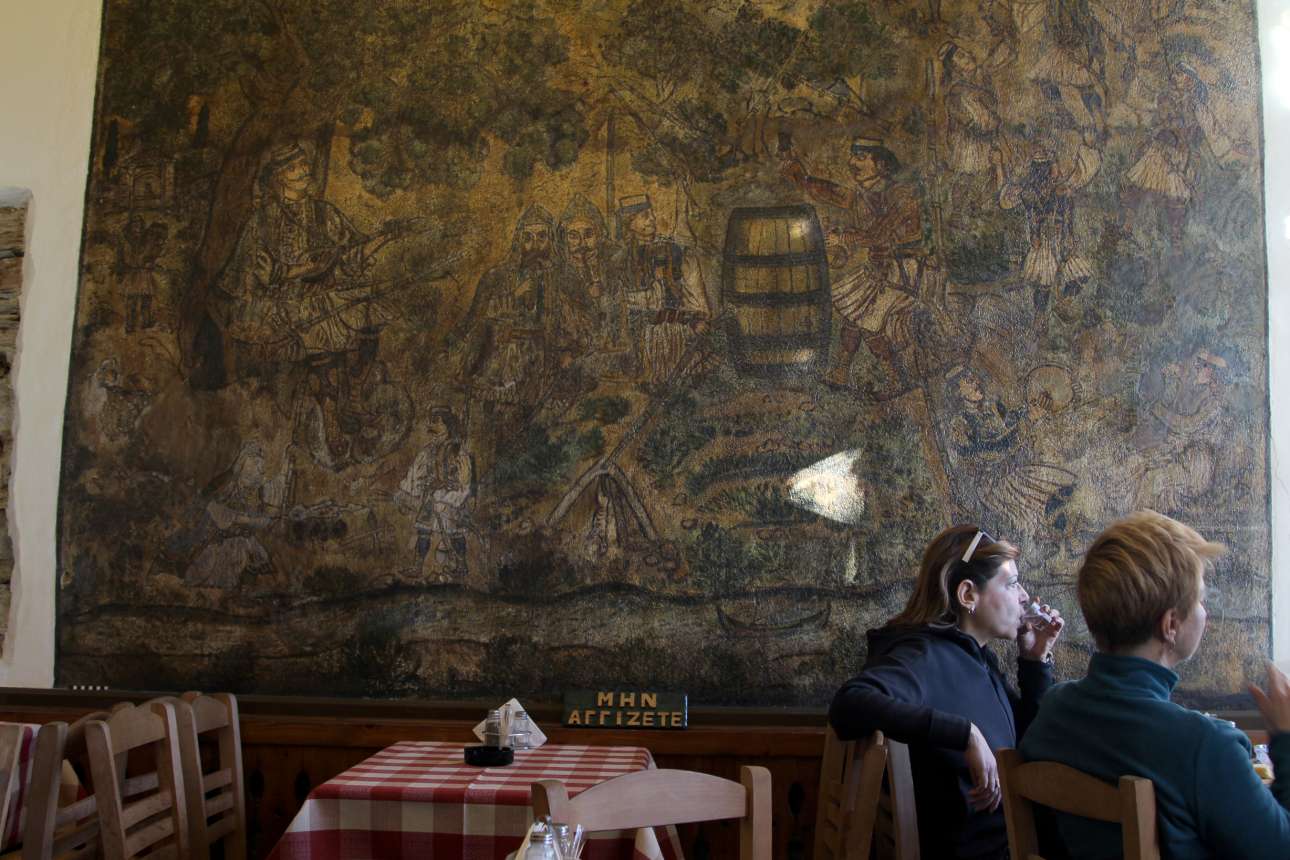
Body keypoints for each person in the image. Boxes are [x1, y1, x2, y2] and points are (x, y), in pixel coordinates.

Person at [1020, 511, 1290, 859]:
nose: (1205, 612)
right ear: (1171, 625)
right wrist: (1285, 739)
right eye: (1200, 600)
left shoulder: (1054, 711)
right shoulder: (1205, 747)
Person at [830, 525, 1065, 859]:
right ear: (968, 595)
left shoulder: (977, 657)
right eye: (1012, 583)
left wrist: (1034, 662)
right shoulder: (922, 656)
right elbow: (848, 704)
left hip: (1013, 840)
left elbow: (1029, 746)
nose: (1024, 596)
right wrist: (964, 733)